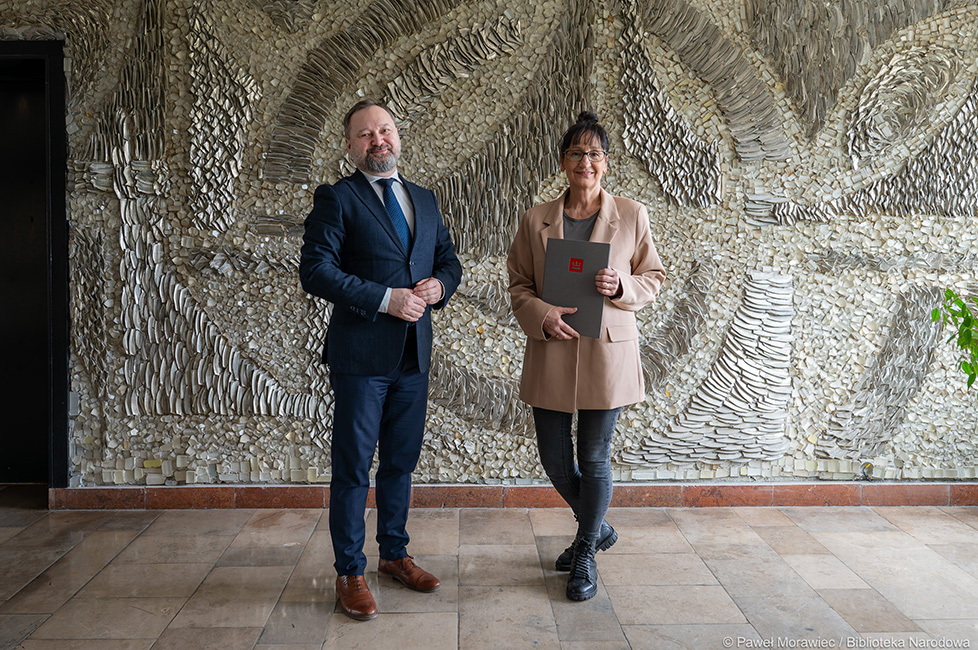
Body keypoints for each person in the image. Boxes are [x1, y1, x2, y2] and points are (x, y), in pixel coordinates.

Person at [299, 98, 462, 621]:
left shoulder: (424, 199)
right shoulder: (337, 198)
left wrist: (441, 285)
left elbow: (449, 261)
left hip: (414, 356)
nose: (378, 141)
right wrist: (385, 298)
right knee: (352, 468)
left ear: (398, 136)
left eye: (385, 130)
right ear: (350, 145)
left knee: (400, 462)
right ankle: (350, 571)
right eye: (366, 134)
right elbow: (316, 271)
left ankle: (394, 555)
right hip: (361, 358)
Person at [507, 111, 666, 601]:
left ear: (606, 162)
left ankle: (584, 553)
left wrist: (622, 286)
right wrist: (540, 314)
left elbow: (653, 277)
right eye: (576, 153)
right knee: (555, 460)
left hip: (607, 352)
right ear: (563, 161)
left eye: (595, 153)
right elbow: (518, 284)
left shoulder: (632, 214)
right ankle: (597, 529)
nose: (586, 162)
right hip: (553, 347)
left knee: (594, 457)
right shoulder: (536, 218)